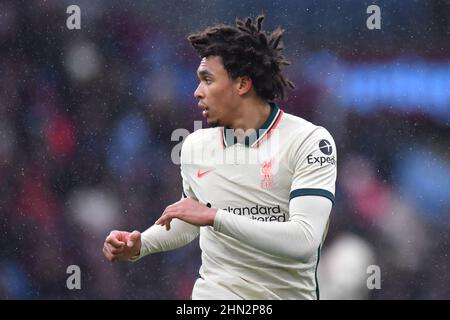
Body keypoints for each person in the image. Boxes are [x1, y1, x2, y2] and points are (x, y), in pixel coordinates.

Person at [103, 15, 337, 300]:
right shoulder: (194, 146)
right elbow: (189, 219)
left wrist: (215, 217)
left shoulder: (310, 141)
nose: (197, 92)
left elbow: (303, 240)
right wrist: (141, 245)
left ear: (242, 84)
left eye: (207, 80)